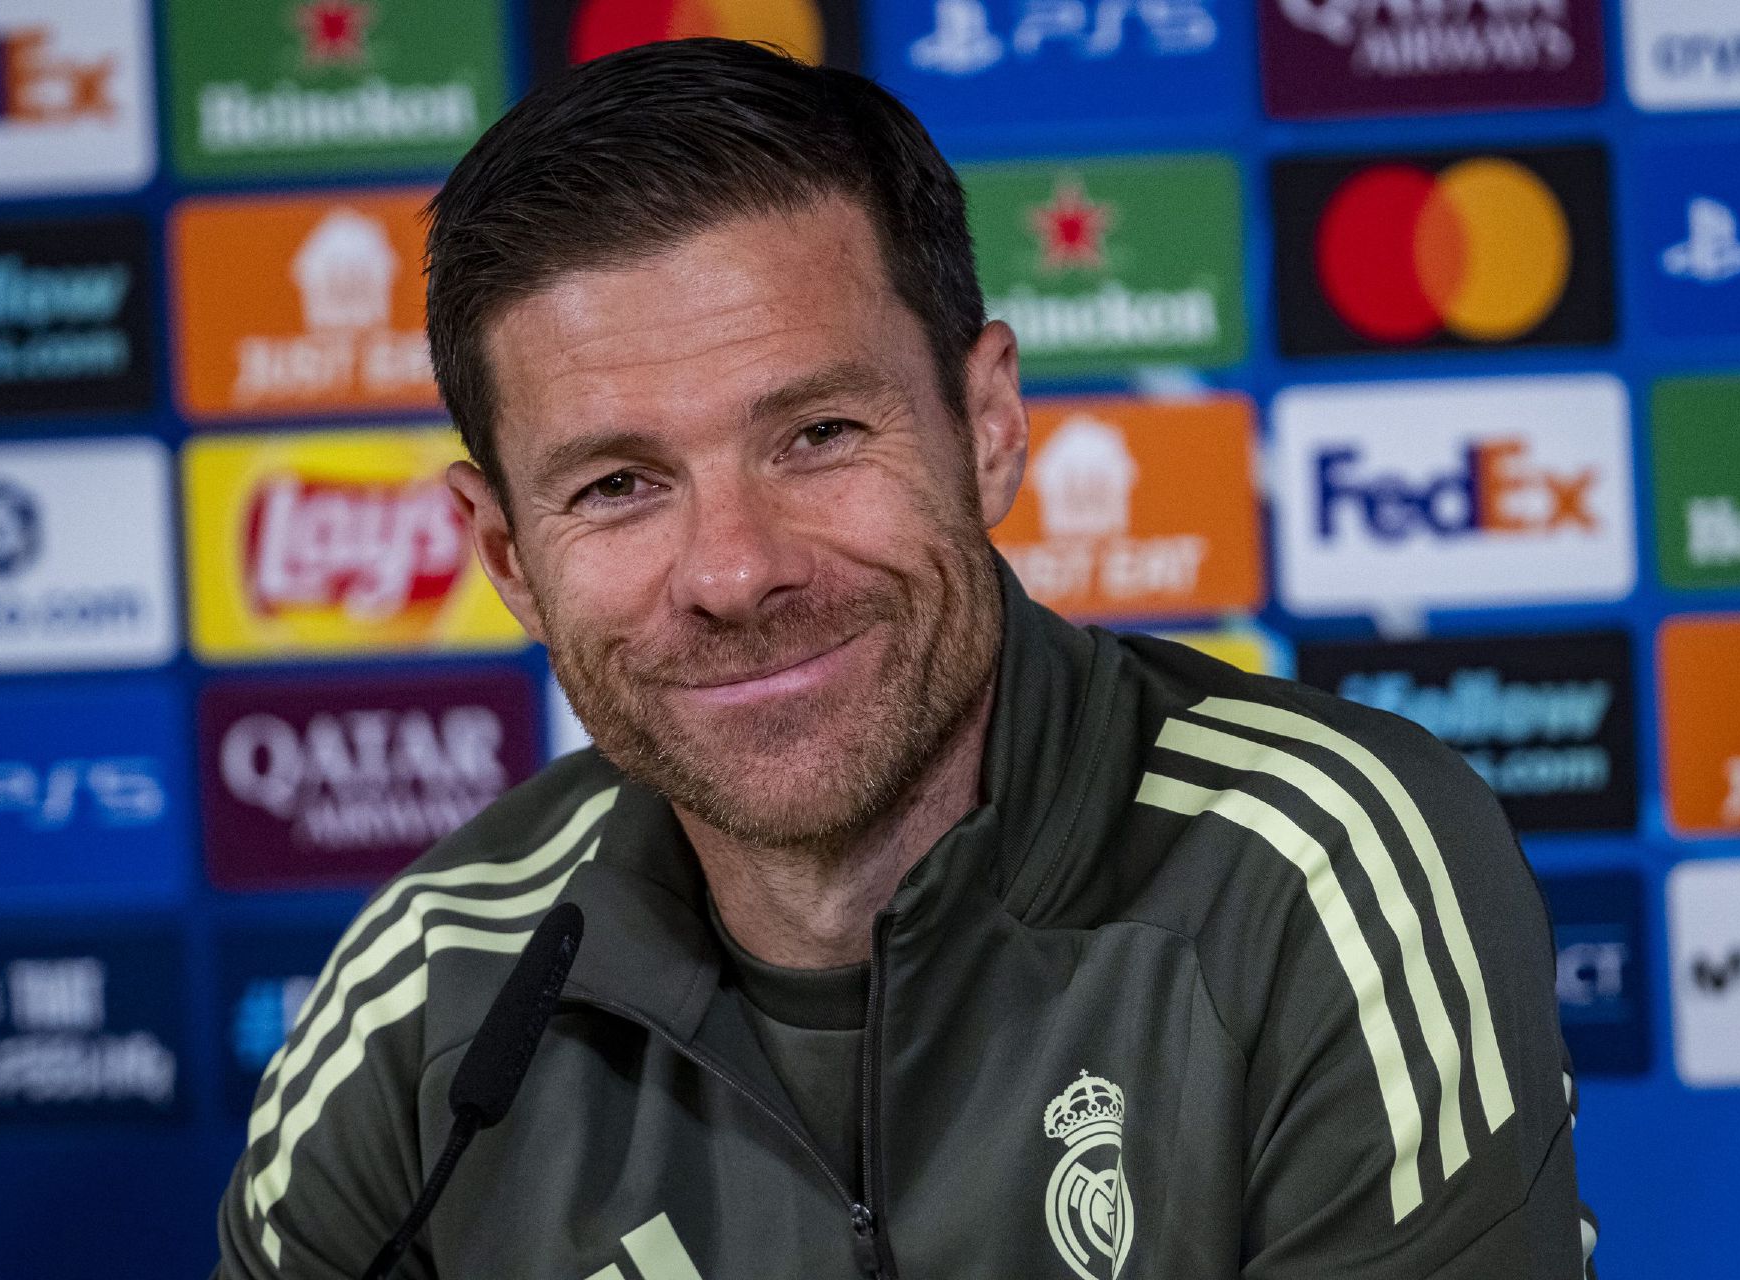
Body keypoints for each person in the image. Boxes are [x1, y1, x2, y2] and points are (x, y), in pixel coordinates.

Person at [215, 38, 1594, 1280]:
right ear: (509, 557)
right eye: (618, 486)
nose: (735, 572)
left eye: (818, 435)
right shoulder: (426, 998)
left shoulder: (1318, 874)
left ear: (986, 426)